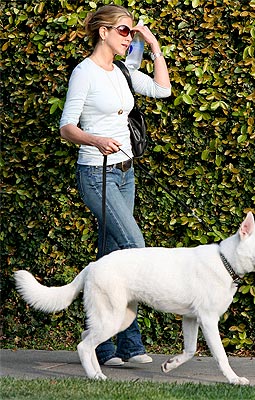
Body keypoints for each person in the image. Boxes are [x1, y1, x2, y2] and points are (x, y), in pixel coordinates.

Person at [59, 5, 171, 367]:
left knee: (110, 255)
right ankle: (132, 344)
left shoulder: (123, 70)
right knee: (134, 249)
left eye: (131, 32)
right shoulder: (84, 73)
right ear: (103, 32)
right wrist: (95, 140)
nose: (129, 37)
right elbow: (66, 127)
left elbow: (162, 90)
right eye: (124, 31)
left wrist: (152, 45)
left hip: (125, 173)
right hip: (97, 173)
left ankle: (106, 348)